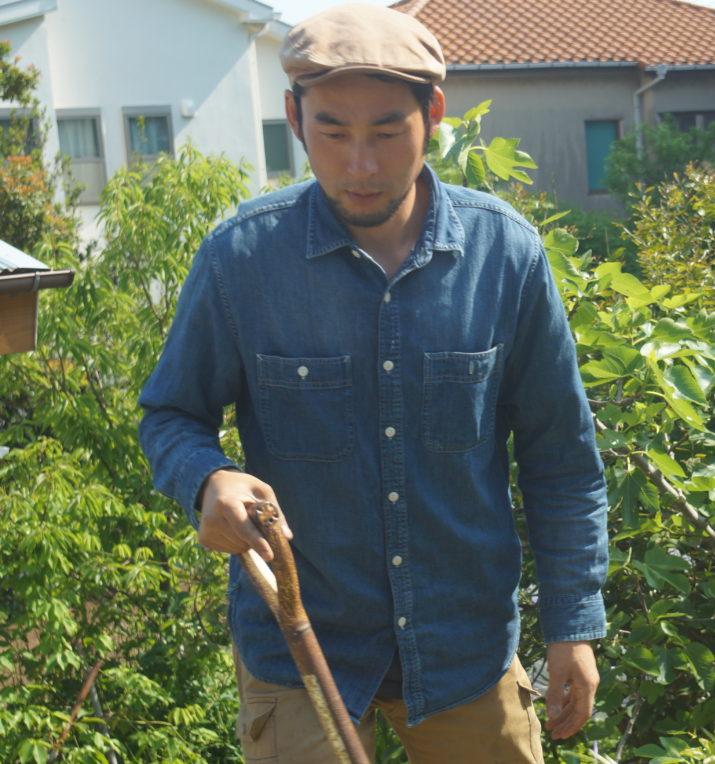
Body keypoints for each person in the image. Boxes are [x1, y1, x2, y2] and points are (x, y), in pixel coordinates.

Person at [138, 4, 608, 762]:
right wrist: (208, 478)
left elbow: (562, 459)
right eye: (333, 132)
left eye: (388, 133)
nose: (360, 164)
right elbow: (169, 413)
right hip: (303, 654)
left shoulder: (505, 256)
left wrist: (572, 626)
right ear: (294, 118)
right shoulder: (241, 259)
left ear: (434, 116)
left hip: (467, 650)